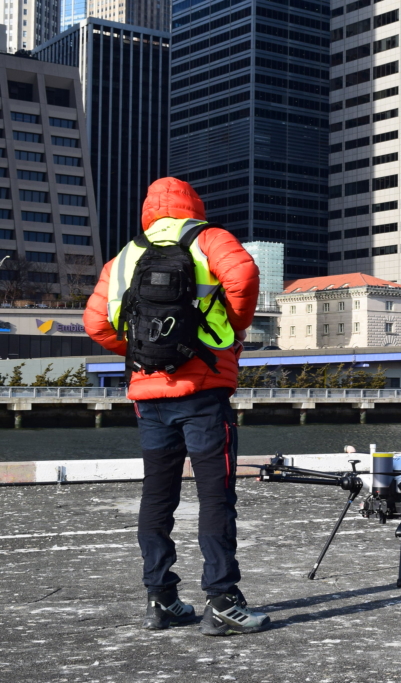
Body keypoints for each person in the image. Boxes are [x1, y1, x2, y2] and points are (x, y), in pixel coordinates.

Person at [84, 177, 268, 636]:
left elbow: (94, 324)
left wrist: (141, 347)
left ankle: (161, 599)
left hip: (149, 394)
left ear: (150, 209)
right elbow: (242, 277)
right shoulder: (209, 238)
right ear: (193, 205)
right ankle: (223, 600)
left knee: (157, 497)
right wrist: (235, 324)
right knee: (215, 499)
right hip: (204, 394)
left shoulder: (125, 255)